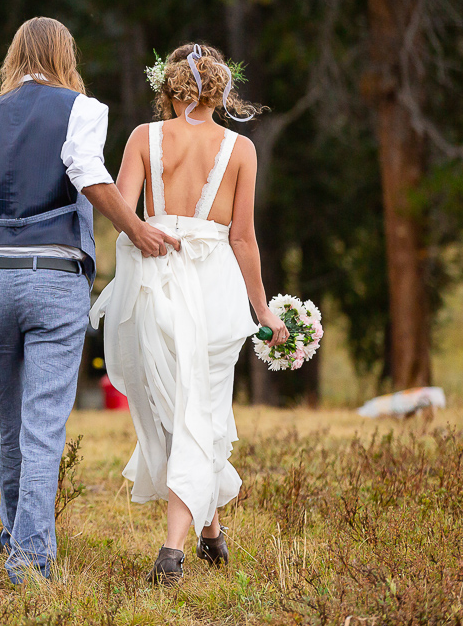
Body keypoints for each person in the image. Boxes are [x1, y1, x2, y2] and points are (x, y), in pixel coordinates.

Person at [0, 17, 180, 584]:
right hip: (53, 279)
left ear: (15, 55)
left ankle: (15, 538)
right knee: (43, 423)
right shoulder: (82, 108)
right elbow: (84, 170)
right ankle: (29, 560)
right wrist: (138, 229)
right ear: (64, 55)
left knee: (10, 419)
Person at [89, 43, 288, 585]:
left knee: (182, 411)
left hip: (155, 285)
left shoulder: (142, 139)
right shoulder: (241, 149)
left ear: (168, 89)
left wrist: (150, 227)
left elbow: (121, 217)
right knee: (198, 410)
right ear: (223, 91)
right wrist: (262, 308)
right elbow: (243, 238)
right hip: (215, 288)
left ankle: (209, 536)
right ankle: (172, 549)